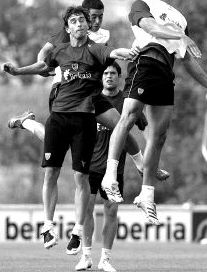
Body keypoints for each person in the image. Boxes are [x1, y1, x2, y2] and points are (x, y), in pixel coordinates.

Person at [101, 0, 207, 225]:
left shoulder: (180, 18)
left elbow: (188, 59)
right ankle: (110, 176)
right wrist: (182, 36)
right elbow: (151, 28)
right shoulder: (142, 5)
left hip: (165, 72)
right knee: (129, 117)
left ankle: (146, 195)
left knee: (159, 136)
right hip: (145, 62)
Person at [3, 5, 137, 255]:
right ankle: (48, 226)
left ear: (88, 26)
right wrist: (19, 71)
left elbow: (113, 51)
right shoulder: (60, 50)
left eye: (83, 21)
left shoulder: (95, 49)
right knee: (50, 172)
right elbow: (43, 66)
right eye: (74, 21)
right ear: (67, 28)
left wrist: (128, 52)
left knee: (80, 178)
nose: (80, 24)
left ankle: (76, 231)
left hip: (84, 120)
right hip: (58, 117)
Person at [75, 62, 126, 272]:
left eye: (113, 73)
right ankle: (86, 256)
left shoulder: (126, 101)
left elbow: (139, 128)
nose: (109, 76)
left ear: (119, 77)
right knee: (87, 209)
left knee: (111, 211)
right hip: (91, 164)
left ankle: (105, 259)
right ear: (100, 77)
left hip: (115, 168)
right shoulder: (92, 98)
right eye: (105, 73)